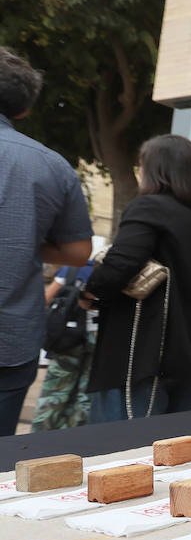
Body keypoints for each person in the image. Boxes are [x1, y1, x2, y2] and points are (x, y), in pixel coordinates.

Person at [86, 136, 191, 421]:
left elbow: (120, 264)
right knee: (182, 451)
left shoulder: (149, 208)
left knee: (122, 452)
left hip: (148, 355)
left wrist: (89, 293)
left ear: (154, 170)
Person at [0, 47, 93, 437]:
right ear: (23, 110)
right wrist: (23, 238)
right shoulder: (51, 165)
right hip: (10, 339)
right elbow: (78, 251)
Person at [31, 252, 101, 430]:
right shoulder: (104, 272)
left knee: (56, 389)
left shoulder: (70, 269)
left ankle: (39, 436)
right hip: (97, 339)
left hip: (68, 338)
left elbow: (46, 299)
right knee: (86, 393)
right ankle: (72, 436)